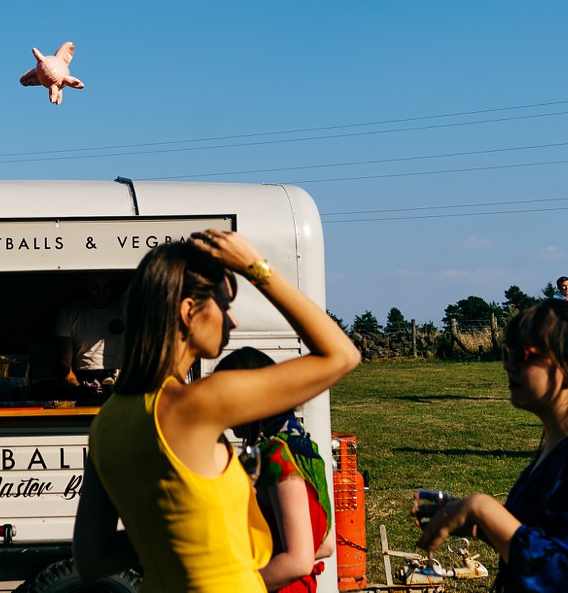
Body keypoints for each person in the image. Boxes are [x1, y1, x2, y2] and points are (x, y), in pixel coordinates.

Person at [73, 229, 361, 593]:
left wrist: (176, 533)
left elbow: (91, 558)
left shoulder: (107, 421)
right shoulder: (198, 403)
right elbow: (341, 355)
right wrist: (256, 268)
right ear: (189, 311)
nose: (232, 321)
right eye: (224, 306)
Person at [418, 300, 568, 593]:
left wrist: (482, 509)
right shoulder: (563, 449)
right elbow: (551, 539)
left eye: (524, 355)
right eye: (507, 352)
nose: (507, 364)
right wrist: (485, 529)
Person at [214, 348, 335, 592]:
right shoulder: (304, 449)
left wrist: (233, 585)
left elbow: (297, 562)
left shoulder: (276, 458)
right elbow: (326, 544)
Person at [55, 272, 128, 384]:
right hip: (84, 377)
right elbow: (64, 365)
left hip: (120, 376)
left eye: (106, 287)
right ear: (85, 283)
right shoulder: (69, 314)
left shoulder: (125, 311)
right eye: (95, 287)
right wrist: (78, 387)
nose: (101, 293)